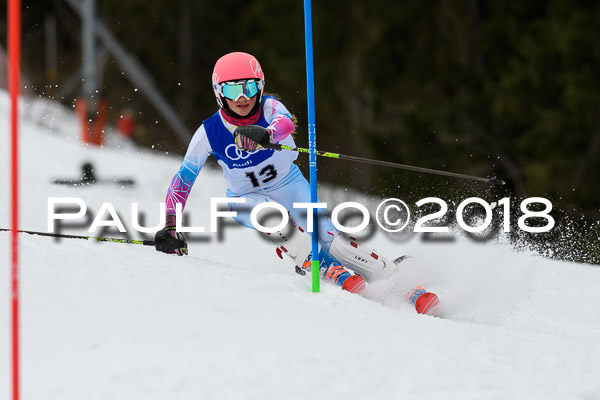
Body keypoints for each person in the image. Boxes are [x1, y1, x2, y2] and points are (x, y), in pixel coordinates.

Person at [154, 51, 402, 296]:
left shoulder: (270, 107)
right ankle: (326, 269)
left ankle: (390, 274)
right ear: (219, 93)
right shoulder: (209, 132)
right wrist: (170, 225)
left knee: (324, 232)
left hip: (287, 182)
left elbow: (286, 123)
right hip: (244, 197)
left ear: (260, 87)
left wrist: (268, 134)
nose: (242, 97)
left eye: (249, 88)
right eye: (232, 90)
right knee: (275, 219)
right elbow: (183, 180)